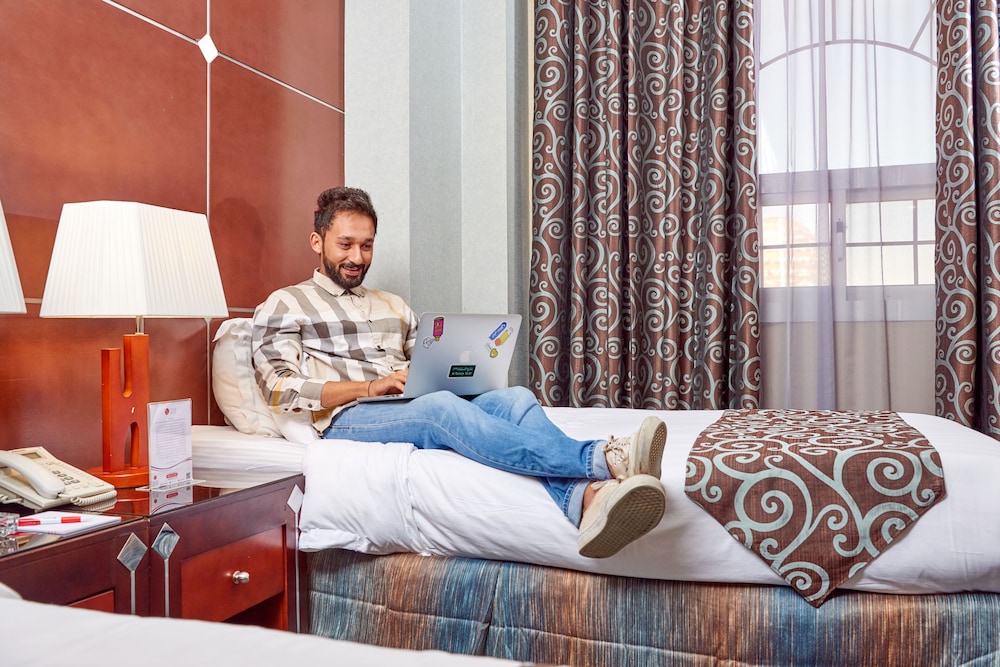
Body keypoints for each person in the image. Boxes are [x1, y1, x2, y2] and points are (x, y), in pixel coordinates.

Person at [251, 186, 668, 558]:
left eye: (367, 245)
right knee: (440, 410)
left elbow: (428, 361)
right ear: (317, 241)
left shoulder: (393, 304)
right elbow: (279, 389)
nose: (357, 258)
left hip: (406, 400)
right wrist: (371, 386)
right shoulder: (286, 304)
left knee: (516, 398)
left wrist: (459, 370)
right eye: (345, 245)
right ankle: (602, 458)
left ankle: (587, 498)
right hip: (348, 416)